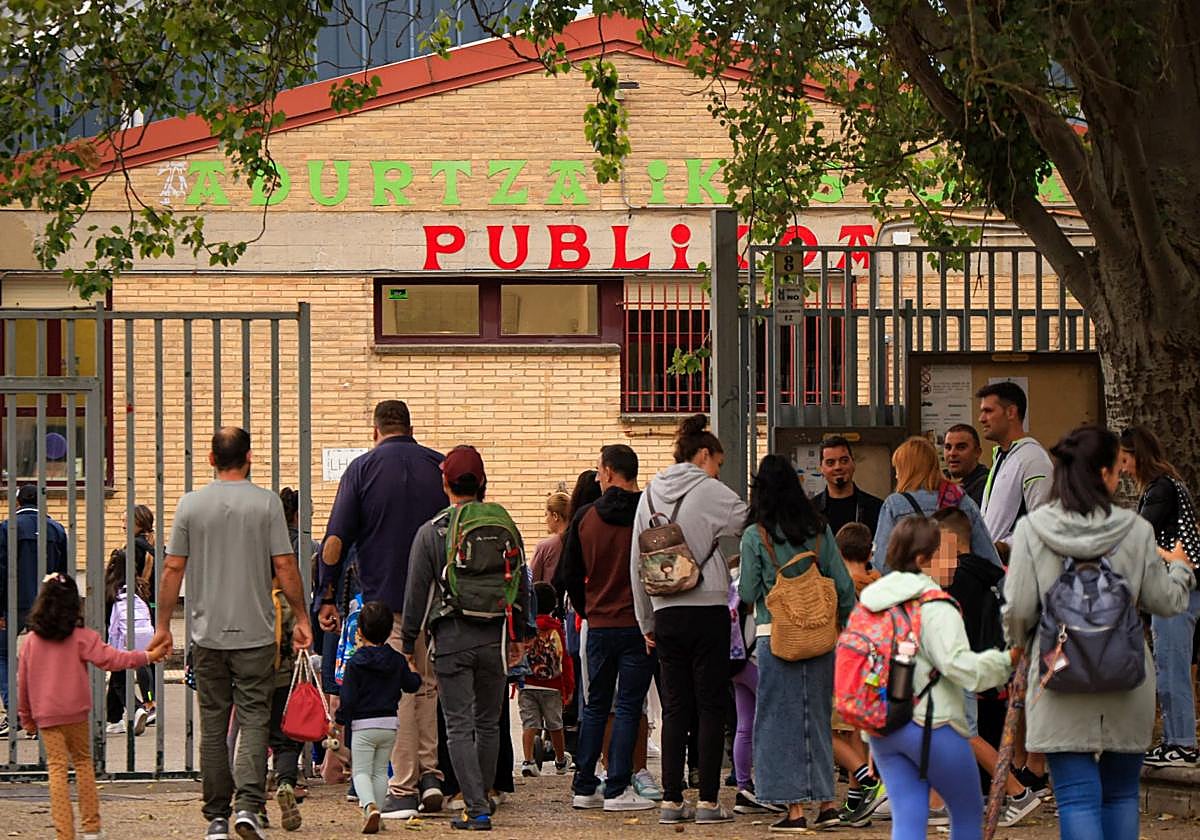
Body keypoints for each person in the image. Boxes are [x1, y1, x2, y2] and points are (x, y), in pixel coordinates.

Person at [1003, 425, 1195, 840]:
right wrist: (1181, 566)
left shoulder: (1033, 530)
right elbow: (1166, 603)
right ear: (1106, 473)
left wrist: (1017, 646)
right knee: (1121, 794)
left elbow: (1018, 610)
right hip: (1126, 675)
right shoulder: (1136, 530)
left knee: (1075, 796)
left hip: (1059, 674)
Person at [149, 427, 312, 840]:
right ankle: (248, 806)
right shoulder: (267, 504)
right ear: (250, 457)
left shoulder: (190, 505)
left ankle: (217, 816)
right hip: (257, 632)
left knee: (213, 723)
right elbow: (285, 565)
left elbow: (172, 568)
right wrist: (301, 616)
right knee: (256, 718)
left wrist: (164, 625)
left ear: (210, 458)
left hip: (207, 633)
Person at [320, 400, 448, 820]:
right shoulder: (438, 466)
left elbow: (336, 539)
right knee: (427, 685)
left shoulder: (362, 469)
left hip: (389, 598)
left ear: (375, 430)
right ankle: (432, 776)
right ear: (410, 427)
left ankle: (404, 785)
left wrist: (326, 592)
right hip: (438, 598)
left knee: (403, 690)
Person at [401, 445, 532, 831]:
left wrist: (410, 642)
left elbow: (416, 592)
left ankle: (475, 808)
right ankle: (484, 797)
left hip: (452, 636)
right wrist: (521, 635)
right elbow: (521, 584)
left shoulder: (432, 531)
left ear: (445, 483)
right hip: (495, 635)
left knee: (458, 725)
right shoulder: (505, 526)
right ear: (483, 484)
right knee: (489, 723)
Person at [860, 517, 1016, 840]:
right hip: (933, 725)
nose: (954, 562)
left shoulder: (874, 601)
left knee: (908, 817)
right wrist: (1005, 663)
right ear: (922, 560)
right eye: (945, 553)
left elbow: (867, 671)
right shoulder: (938, 607)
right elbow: (958, 666)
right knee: (967, 812)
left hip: (886, 728)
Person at [631, 414, 748, 825]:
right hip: (708, 607)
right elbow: (746, 522)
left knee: (675, 706)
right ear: (703, 455)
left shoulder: (647, 495)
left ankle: (670, 799)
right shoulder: (711, 490)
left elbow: (636, 561)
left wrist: (646, 618)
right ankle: (709, 802)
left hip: (665, 613)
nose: (719, 468)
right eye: (718, 460)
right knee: (712, 705)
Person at [738, 454, 856, 831]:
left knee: (777, 722)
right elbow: (843, 585)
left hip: (777, 637)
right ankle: (827, 804)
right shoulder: (819, 529)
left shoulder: (756, 535)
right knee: (817, 719)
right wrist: (840, 623)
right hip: (821, 636)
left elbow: (749, 590)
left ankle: (794, 811)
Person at [17, 573, 167, 840]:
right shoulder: (81, 637)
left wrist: (26, 718)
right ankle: (91, 827)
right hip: (76, 712)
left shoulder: (31, 642)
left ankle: (65, 832)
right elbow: (113, 659)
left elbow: (24, 684)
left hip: (47, 715)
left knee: (57, 769)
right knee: (84, 764)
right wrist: (148, 655)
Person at [931, 508, 1043, 827]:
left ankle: (1018, 792)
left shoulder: (955, 578)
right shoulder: (993, 573)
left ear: (950, 540)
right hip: (983, 660)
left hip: (958, 662)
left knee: (963, 732)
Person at [561, 444, 656, 812]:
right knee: (630, 706)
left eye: (600, 470)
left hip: (599, 625)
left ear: (611, 472)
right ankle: (618, 786)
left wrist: (588, 609)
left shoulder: (586, 517)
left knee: (595, 705)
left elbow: (569, 574)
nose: (598, 477)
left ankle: (585, 785)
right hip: (637, 625)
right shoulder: (649, 514)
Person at [1119, 426, 1200, 767]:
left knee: (1171, 664)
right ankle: (1174, 740)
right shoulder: (1171, 485)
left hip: (1174, 587)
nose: (1122, 469)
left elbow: (1138, 532)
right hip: (1182, 584)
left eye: (1124, 460)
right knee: (1172, 663)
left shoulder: (1160, 489)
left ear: (1137, 455)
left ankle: (1181, 743)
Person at [337, 600, 423, 834]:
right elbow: (412, 685)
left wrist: (339, 719)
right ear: (388, 630)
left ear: (360, 631)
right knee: (379, 770)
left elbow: (348, 697)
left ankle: (369, 806)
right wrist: (413, 668)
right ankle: (379, 812)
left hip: (363, 724)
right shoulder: (396, 659)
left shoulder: (356, 662)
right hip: (389, 724)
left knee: (361, 771)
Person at [873, 437, 1000, 571]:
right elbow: (988, 556)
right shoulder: (962, 500)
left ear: (908, 470)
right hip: (957, 586)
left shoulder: (895, 504)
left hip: (914, 588)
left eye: (898, 469)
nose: (896, 476)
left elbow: (882, 562)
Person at [0, 483, 68, 718]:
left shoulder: (8, 528)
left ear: (18, 502)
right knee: (44, 657)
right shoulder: (56, 529)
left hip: (13, 603)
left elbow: (1, 571)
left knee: (3, 655)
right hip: (45, 605)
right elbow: (63, 574)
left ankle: (14, 711)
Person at [977, 382, 1053, 544]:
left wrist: (1004, 548)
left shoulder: (1033, 459)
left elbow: (1044, 526)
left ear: (1011, 412)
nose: (981, 419)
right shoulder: (1003, 457)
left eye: (988, 411)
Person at [519, 581, 575, 776]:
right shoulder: (556, 628)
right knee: (555, 724)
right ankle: (560, 760)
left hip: (527, 683)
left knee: (529, 723)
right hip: (553, 685)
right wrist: (568, 688)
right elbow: (565, 659)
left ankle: (528, 761)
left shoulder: (526, 626)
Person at [102, 548, 155, 736]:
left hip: (119, 641)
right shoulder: (138, 587)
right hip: (141, 640)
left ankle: (137, 708)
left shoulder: (109, 589)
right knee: (118, 679)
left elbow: (105, 619)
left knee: (118, 681)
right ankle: (114, 720)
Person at [810, 436, 883, 537]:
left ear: (853, 463)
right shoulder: (810, 512)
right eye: (830, 463)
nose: (838, 467)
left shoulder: (877, 509)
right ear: (821, 468)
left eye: (844, 461)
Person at [944, 424, 990, 507]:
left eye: (961, 447)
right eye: (948, 447)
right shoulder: (939, 483)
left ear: (977, 452)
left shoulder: (987, 485)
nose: (952, 453)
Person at [531, 492, 571, 586]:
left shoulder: (545, 547)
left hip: (550, 598)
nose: (545, 520)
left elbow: (532, 581)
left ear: (555, 516)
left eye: (546, 514)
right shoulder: (581, 541)